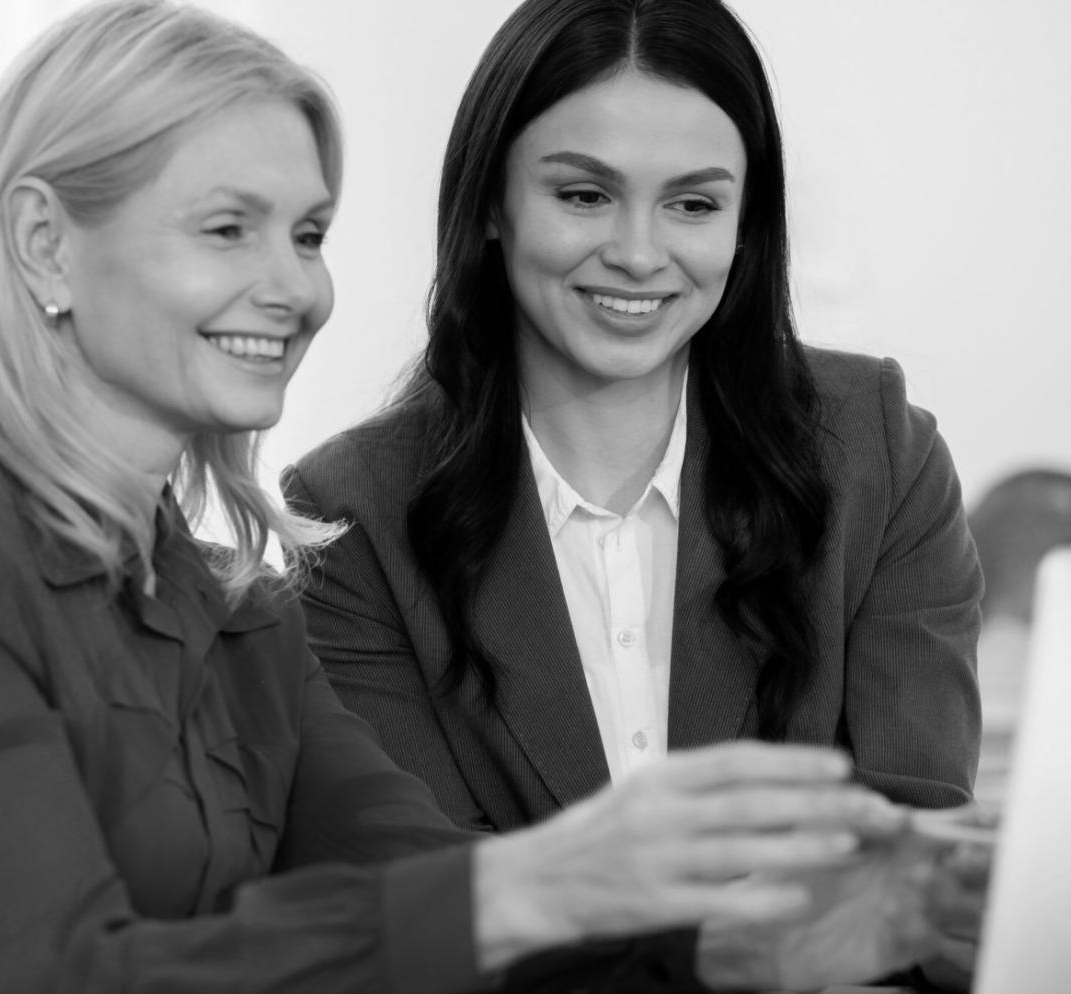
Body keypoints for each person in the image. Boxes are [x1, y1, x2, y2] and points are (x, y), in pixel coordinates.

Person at [0, 2, 943, 992]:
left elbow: (425, 888)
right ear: (43, 244)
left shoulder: (231, 605)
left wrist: (746, 943)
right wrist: (546, 876)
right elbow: (59, 975)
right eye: (229, 228)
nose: (293, 287)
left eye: (309, 233)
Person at [282, 0, 984, 983]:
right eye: (583, 195)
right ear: (490, 201)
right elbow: (426, 912)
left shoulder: (877, 453)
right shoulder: (352, 513)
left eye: (692, 204)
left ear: (745, 224)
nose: (639, 253)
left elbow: (909, 888)